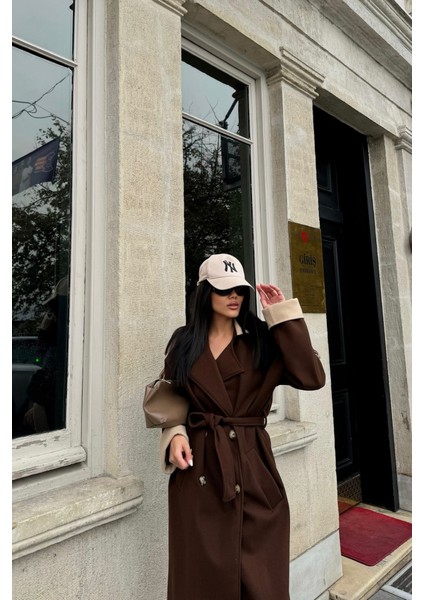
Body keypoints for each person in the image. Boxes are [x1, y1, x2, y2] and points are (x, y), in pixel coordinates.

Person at [159, 253, 326, 600]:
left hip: (252, 465)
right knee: (199, 579)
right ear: (205, 293)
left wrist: (283, 318)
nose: (234, 296)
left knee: (260, 579)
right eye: (224, 289)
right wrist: (174, 432)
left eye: (239, 289)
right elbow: (169, 394)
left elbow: (312, 377)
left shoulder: (262, 340)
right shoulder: (184, 342)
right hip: (200, 468)